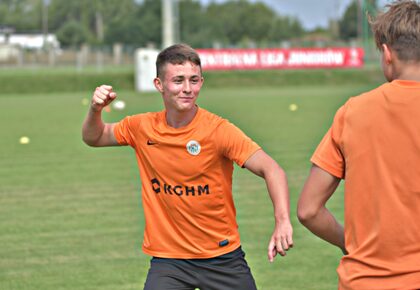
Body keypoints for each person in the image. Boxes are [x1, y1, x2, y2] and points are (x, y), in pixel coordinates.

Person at [82, 43, 293, 290]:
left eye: (194, 80)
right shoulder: (141, 127)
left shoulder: (219, 130)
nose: (187, 89)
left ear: (201, 82)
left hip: (222, 258)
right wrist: (95, 110)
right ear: (159, 85)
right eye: (178, 80)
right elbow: (94, 137)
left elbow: (272, 169)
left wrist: (282, 221)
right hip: (169, 261)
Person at [297, 1, 420, 289]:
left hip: (364, 281)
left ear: (387, 54)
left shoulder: (353, 112)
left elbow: (309, 210)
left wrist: (348, 243)